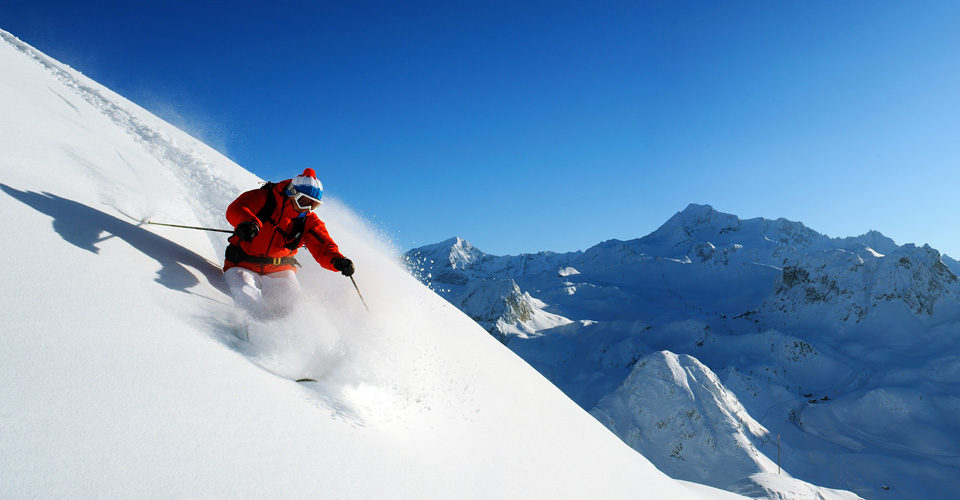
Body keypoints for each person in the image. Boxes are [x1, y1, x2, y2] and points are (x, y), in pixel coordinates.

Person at [223, 168, 354, 317]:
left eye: (314, 204)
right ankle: (250, 333)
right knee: (248, 300)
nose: (308, 208)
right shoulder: (264, 198)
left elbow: (322, 245)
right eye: (304, 201)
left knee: (294, 308)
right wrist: (248, 224)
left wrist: (337, 260)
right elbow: (237, 208)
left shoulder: (308, 220)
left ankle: (287, 335)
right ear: (292, 192)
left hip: (279, 270)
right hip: (241, 265)